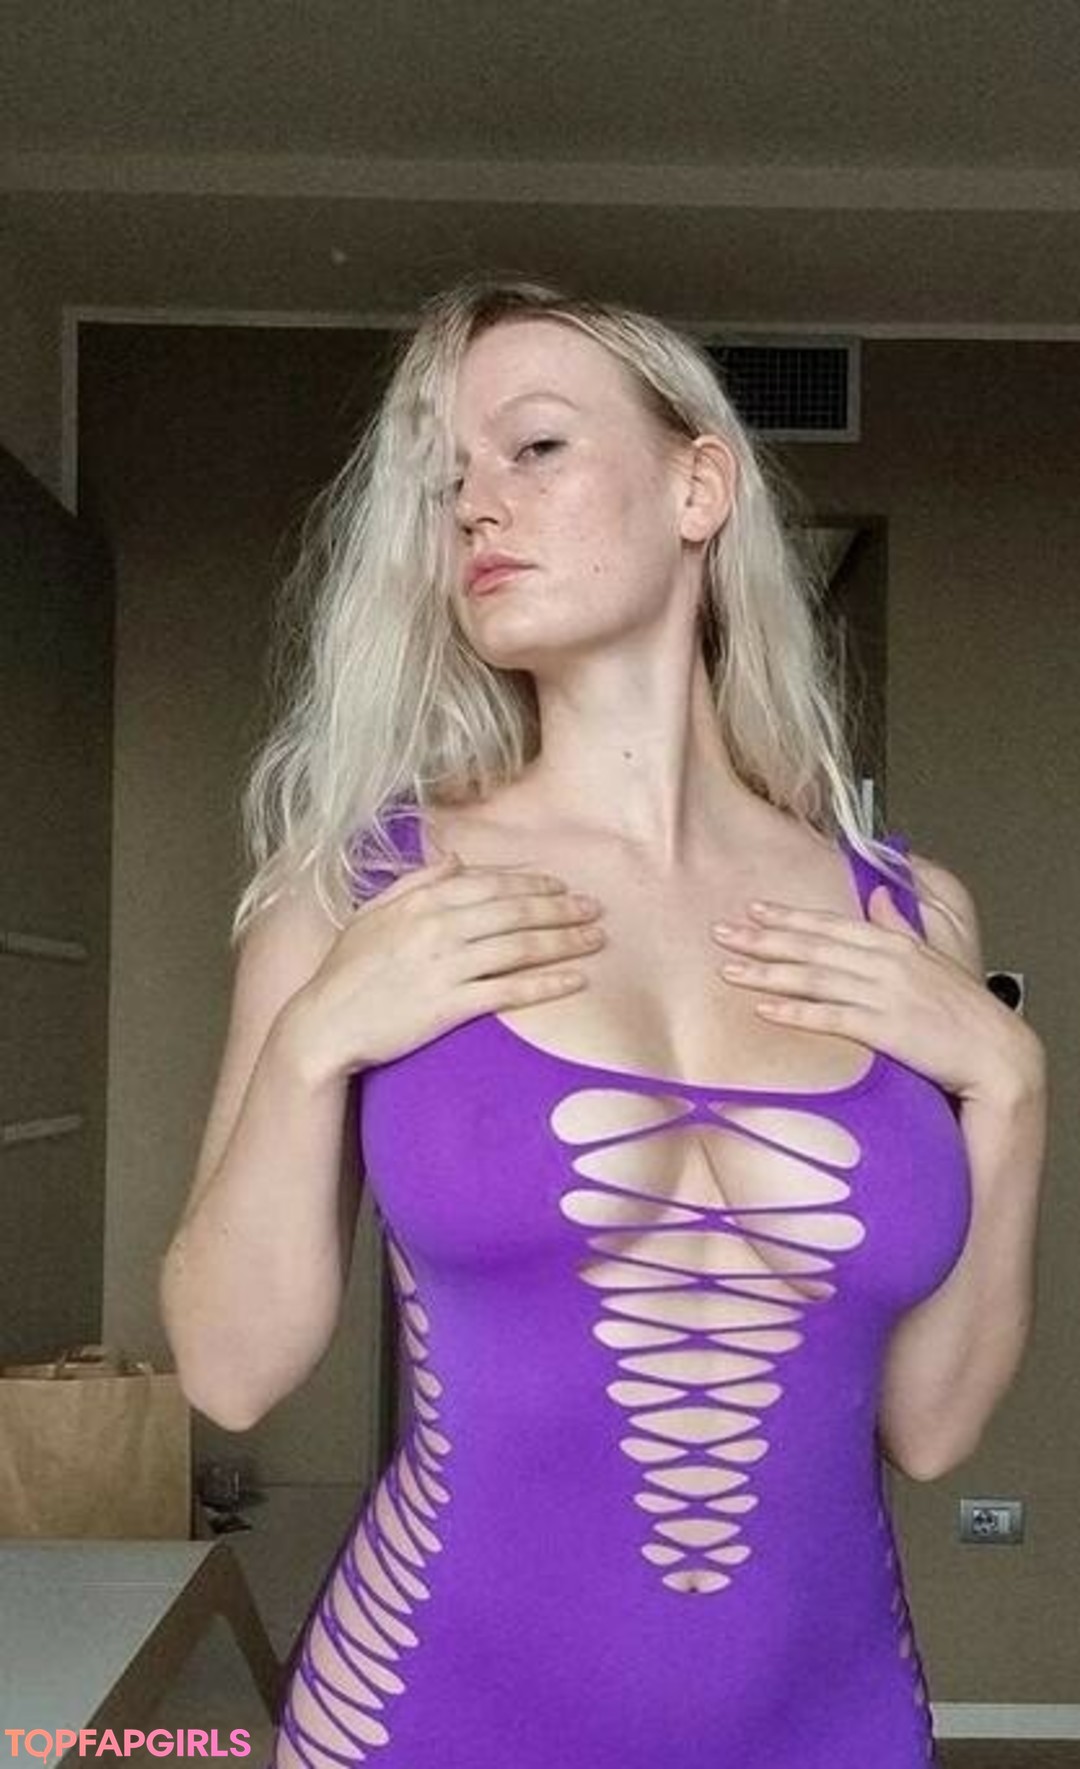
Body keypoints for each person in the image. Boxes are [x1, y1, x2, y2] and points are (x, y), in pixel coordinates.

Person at [159, 277, 1047, 1769]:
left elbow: (932, 1429)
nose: (475, 508)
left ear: (699, 488)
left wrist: (1013, 1091)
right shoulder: (359, 896)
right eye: (446, 480)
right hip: (426, 1716)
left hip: (826, 1725)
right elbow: (230, 1369)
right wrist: (316, 1041)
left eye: (536, 448)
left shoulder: (907, 918)